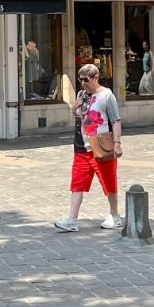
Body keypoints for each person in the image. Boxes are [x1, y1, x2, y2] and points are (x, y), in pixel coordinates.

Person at [54, 63, 123, 232]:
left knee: (108, 181)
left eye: (86, 79)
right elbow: (78, 115)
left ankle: (114, 215)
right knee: (77, 183)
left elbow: (115, 120)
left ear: (96, 77)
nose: (83, 83)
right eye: (81, 80)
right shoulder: (81, 95)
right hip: (81, 145)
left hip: (101, 146)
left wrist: (117, 144)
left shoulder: (107, 95)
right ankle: (72, 219)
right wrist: (74, 107)